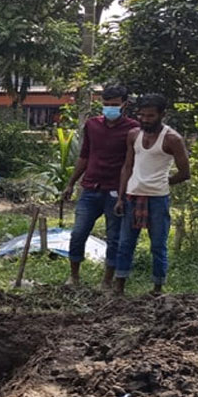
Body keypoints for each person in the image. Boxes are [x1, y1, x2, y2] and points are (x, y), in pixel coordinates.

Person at [63, 83, 140, 288]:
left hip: (115, 190)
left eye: (114, 104)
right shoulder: (92, 125)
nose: (109, 108)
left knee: (113, 237)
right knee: (79, 232)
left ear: (124, 104)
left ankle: (106, 281)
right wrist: (70, 184)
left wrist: (124, 195)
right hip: (90, 188)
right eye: (106, 104)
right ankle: (74, 276)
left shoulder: (133, 129)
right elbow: (84, 156)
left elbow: (131, 164)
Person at [114, 93, 190, 296]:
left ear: (162, 115)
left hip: (158, 198)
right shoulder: (133, 135)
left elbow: (185, 172)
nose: (145, 119)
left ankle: (157, 288)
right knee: (125, 244)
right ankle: (119, 286)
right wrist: (121, 197)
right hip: (132, 196)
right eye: (142, 115)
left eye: (150, 116)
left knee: (158, 245)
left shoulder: (172, 139)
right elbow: (127, 166)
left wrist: (163, 183)